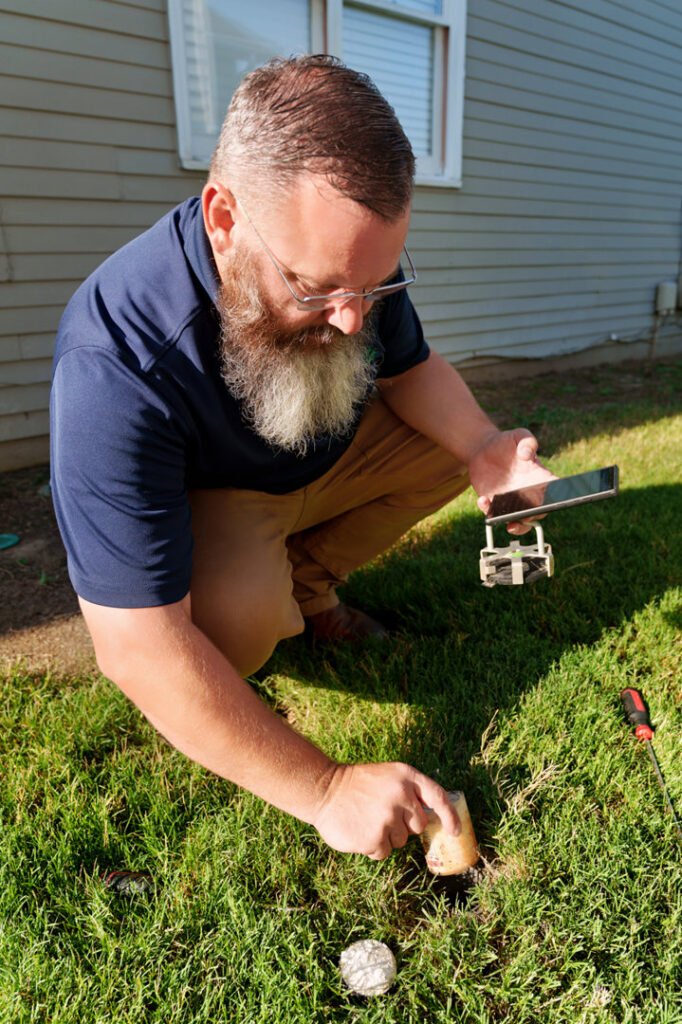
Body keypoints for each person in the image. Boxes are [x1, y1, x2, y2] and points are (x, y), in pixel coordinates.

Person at [50, 55, 552, 862]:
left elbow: (412, 369)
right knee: (230, 632)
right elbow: (136, 646)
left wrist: (487, 450)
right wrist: (322, 789)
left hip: (326, 459)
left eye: (377, 286)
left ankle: (309, 590)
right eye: (316, 291)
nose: (354, 322)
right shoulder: (115, 356)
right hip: (229, 501)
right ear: (223, 219)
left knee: (447, 448)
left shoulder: (345, 270)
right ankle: (269, 594)